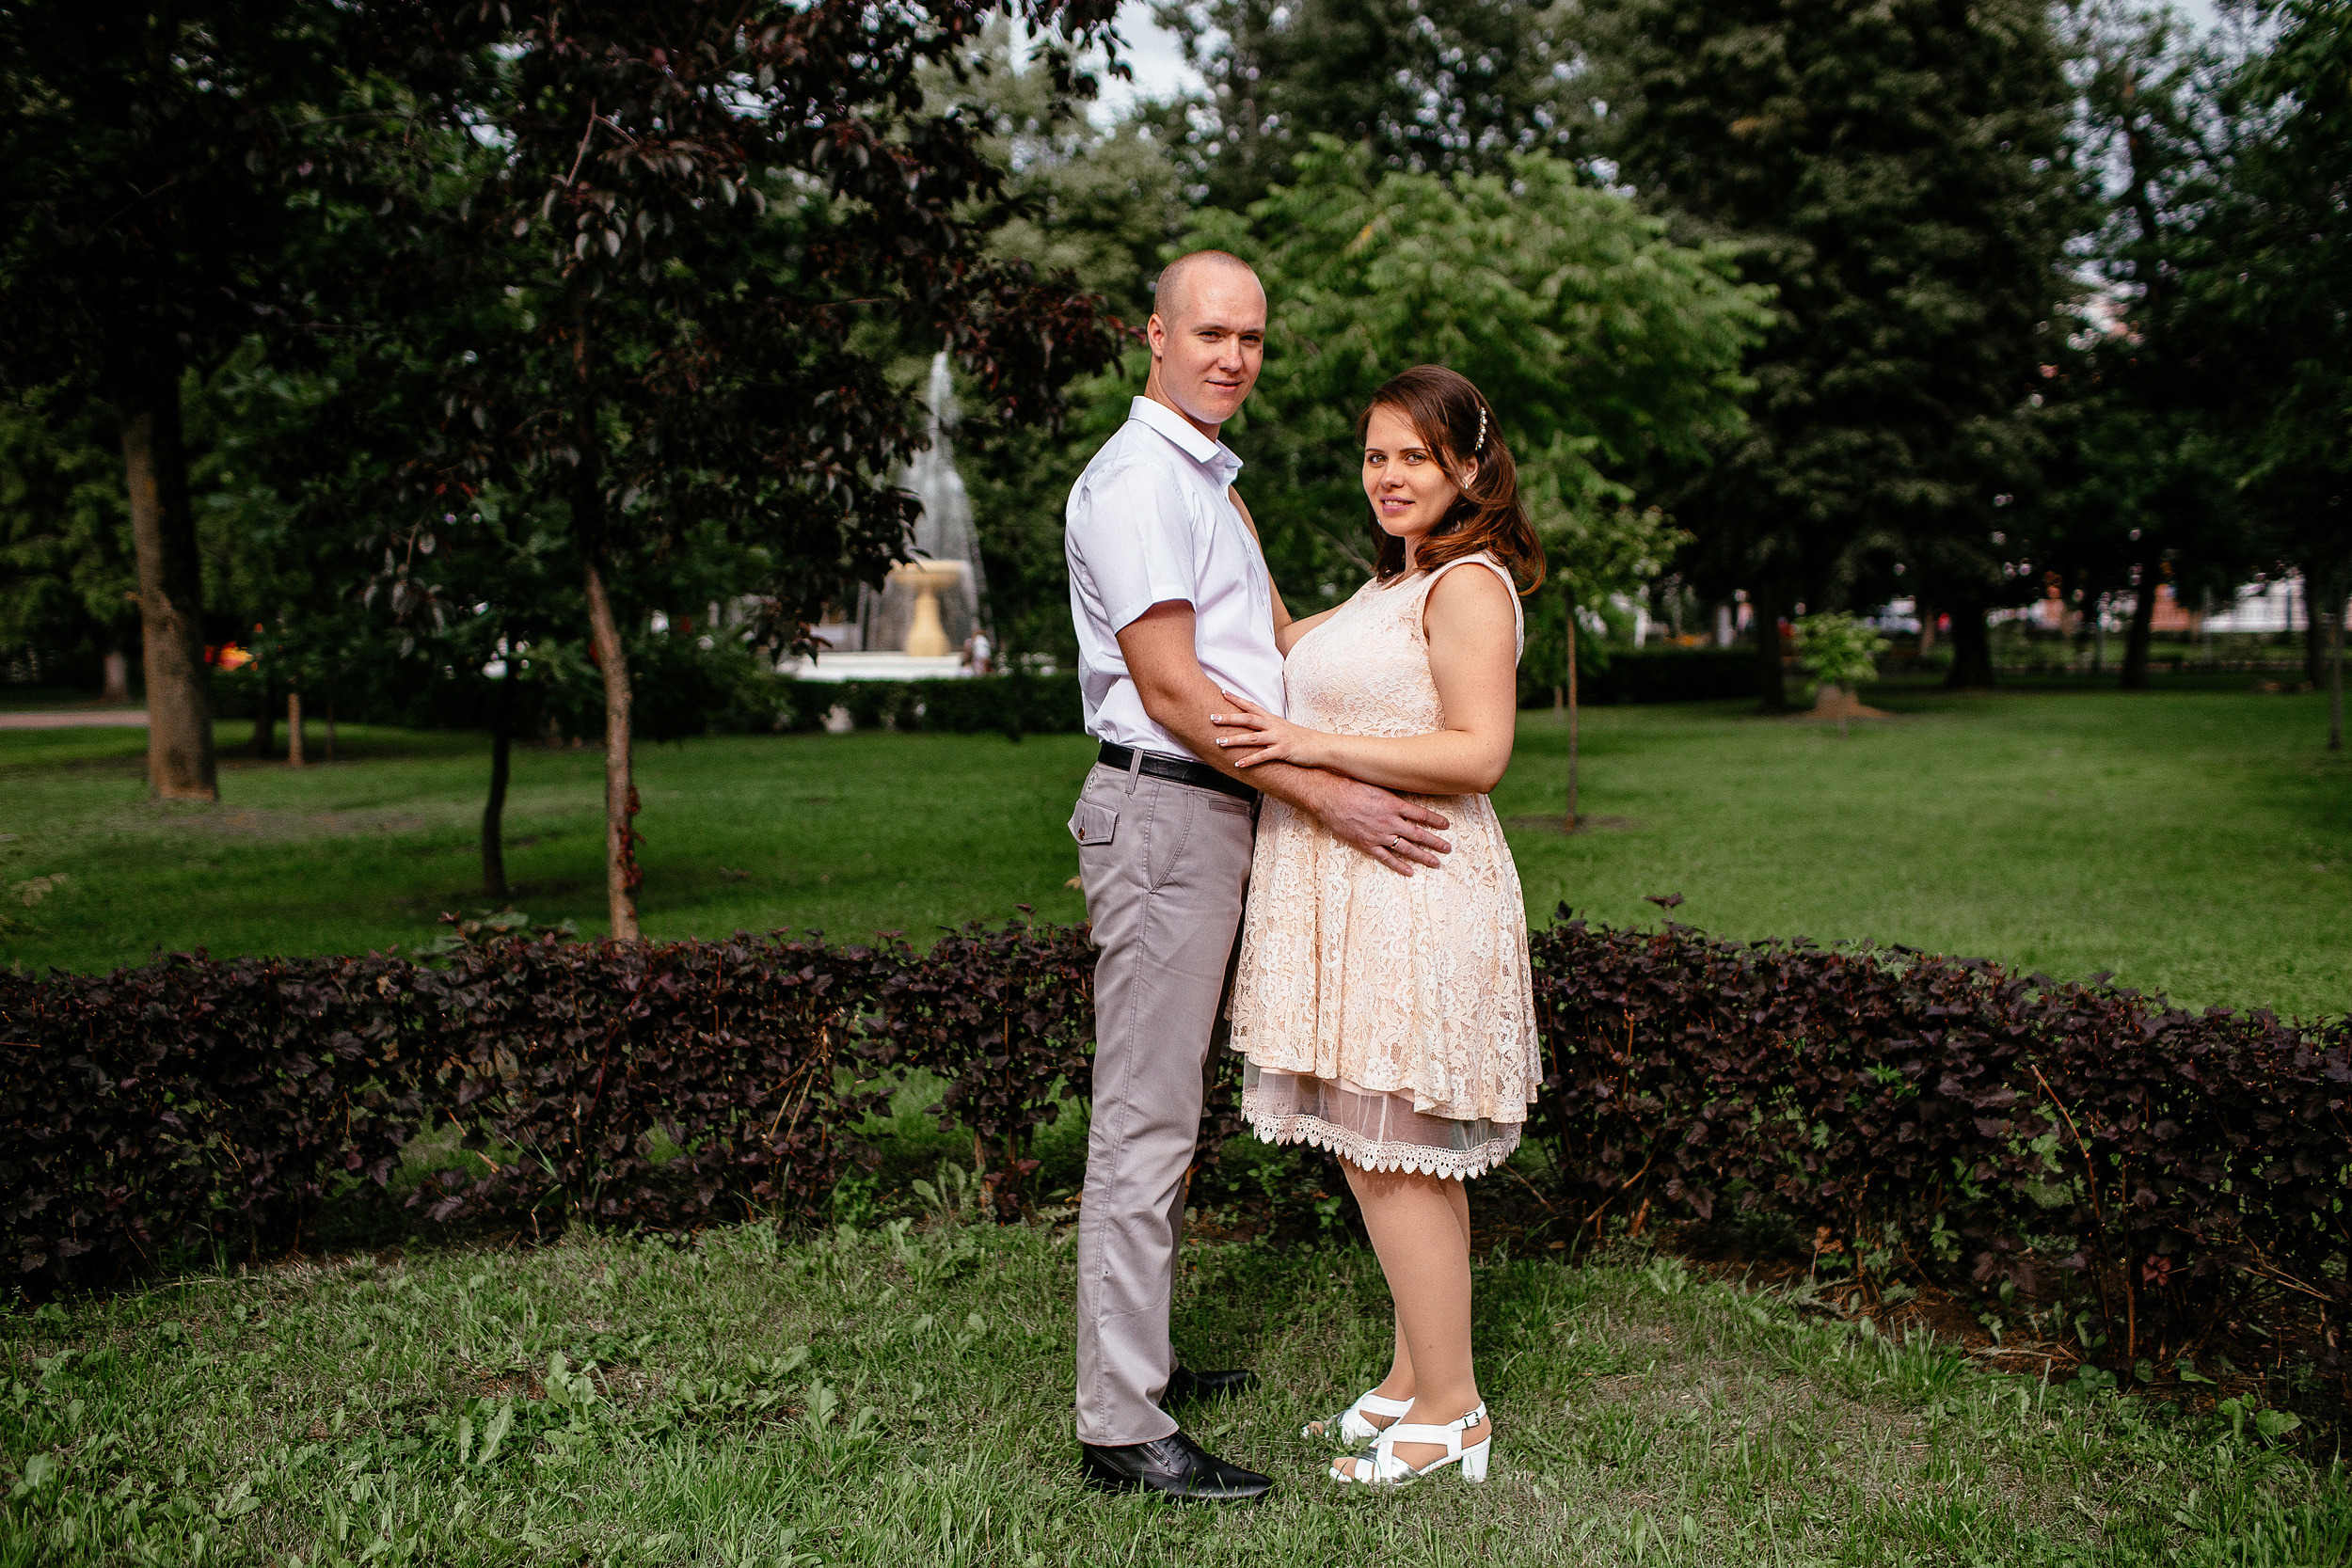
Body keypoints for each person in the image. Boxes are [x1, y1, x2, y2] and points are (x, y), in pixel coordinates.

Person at [1062, 253, 1458, 1504]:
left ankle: (1148, 1360)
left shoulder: (1203, 480)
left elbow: (1275, 650)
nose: (1233, 356)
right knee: (1143, 1120)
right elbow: (1178, 689)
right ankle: (1123, 1426)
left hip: (1216, 813)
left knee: (1170, 1114)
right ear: (1156, 336)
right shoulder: (1136, 482)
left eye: (1252, 337)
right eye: (1210, 333)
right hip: (1165, 810)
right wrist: (1331, 793)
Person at [1212, 364, 1544, 1487]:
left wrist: (1309, 748)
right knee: (1373, 1149)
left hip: (1415, 890)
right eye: (1373, 455)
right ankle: (1412, 1374)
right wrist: (1213, 486)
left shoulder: (1467, 588)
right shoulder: (1388, 587)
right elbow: (1278, 637)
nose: (1388, 475)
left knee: (1400, 1154)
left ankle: (1453, 1408)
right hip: (1352, 891)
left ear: (1468, 465)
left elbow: (1478, 750)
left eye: (1413, 455)